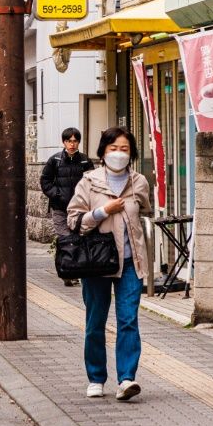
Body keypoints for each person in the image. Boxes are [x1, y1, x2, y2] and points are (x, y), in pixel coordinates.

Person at [68, 127, 153, 402]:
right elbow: (74, 219)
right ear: (103, 152)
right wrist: (103, 211)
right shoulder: (89, 182)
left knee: (128, 320)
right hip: (97, 263)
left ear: (132, 154)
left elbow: (145, 211)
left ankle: (127, 378)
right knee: (96, 321)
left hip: (130, 263)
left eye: (125, 149)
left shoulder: (139, 182)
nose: (119, 154)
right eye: (113, 148)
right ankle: (95, 377)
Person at [41, 127, 95, 285]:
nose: (72, 144)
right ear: (63, 142)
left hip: (80, 209)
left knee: (78, 239)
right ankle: (66, 272)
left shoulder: (85, 161)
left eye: (75, 141)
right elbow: (45, 181)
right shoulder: (55, 160)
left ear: (78, 142)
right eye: (68, 141)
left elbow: (92, 182)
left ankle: (76, 270)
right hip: (60, 208)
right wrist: (57, 194)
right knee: (65, 239)